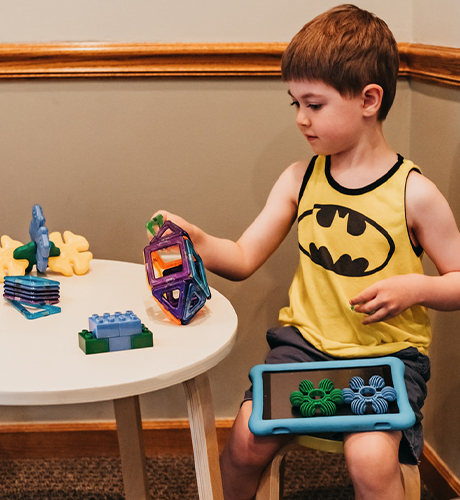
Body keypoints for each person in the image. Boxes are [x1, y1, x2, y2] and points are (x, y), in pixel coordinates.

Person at [152, 5, 460, 499]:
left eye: (314, 104)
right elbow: (244, 256)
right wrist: (199, 242)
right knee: (245, 439)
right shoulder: (300, 178)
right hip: (304, 347)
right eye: (294, 103)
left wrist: (417, 287)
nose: (300, 118)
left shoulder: (414, 192)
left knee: (370, 458)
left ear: (368, 99)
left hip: (387, 355)